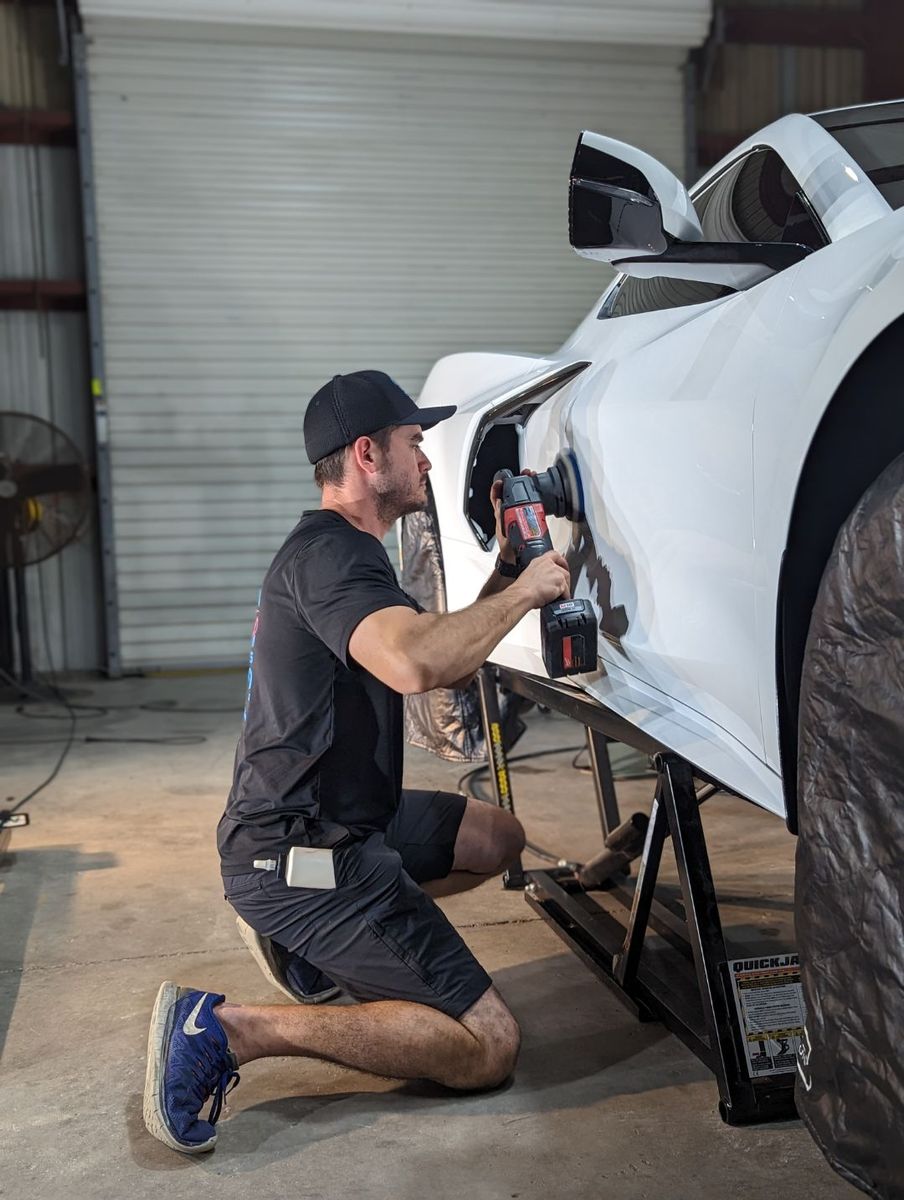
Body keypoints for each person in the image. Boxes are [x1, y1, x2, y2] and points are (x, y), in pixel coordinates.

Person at [142, 370, 572, 1154]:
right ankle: (229, 1030)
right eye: (415, 445)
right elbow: (414, 664)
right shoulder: (333, 559)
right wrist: (528, 594)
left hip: (347, 820)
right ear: (369, 455)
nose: (428, 463)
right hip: (300, 850)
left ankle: (320, 947)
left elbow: (432, 639)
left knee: (494, 838)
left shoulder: (345, 553)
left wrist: (510, 573)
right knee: (487, 1047)